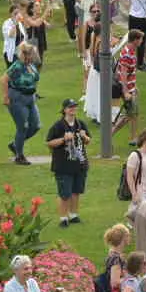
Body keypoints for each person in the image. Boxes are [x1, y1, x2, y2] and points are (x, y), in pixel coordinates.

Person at [47, 97, 91, 227]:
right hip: (63, 166)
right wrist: (63, 139)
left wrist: (84, 137)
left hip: (80, 164)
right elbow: (49, 143)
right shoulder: (58, 126)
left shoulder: (80, 124)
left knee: (76, 191)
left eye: (74, 107)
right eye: (70, 107)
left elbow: (88, 141)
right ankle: (63, 218)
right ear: (64, 110)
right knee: (64, 193)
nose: (73, 109)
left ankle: (73, 215)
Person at [3, 41, 42, 165]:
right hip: (17, 98)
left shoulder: (32, 66)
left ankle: (16, 144)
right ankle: (19, 156)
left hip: (30, 98)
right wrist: (5, 97)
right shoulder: (17, 66)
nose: (34, 56)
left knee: (35, 126)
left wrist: (34, 92)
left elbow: (35, 79)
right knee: (23, 127)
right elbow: (3, 79)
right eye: (32, 54)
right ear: (26, 55)